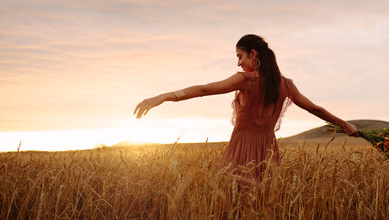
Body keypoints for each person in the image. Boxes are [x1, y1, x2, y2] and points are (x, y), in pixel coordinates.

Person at [134, 34, 358, 180]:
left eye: (240, 56)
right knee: (263, 203)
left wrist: (164, 96)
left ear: (253, 54)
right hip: (268, 152)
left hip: (240, 151)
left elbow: (204, 90)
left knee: (236, 205)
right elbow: (315, 109)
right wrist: (344, 124)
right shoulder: (286, 85)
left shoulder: (244, 80)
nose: (238, 62)